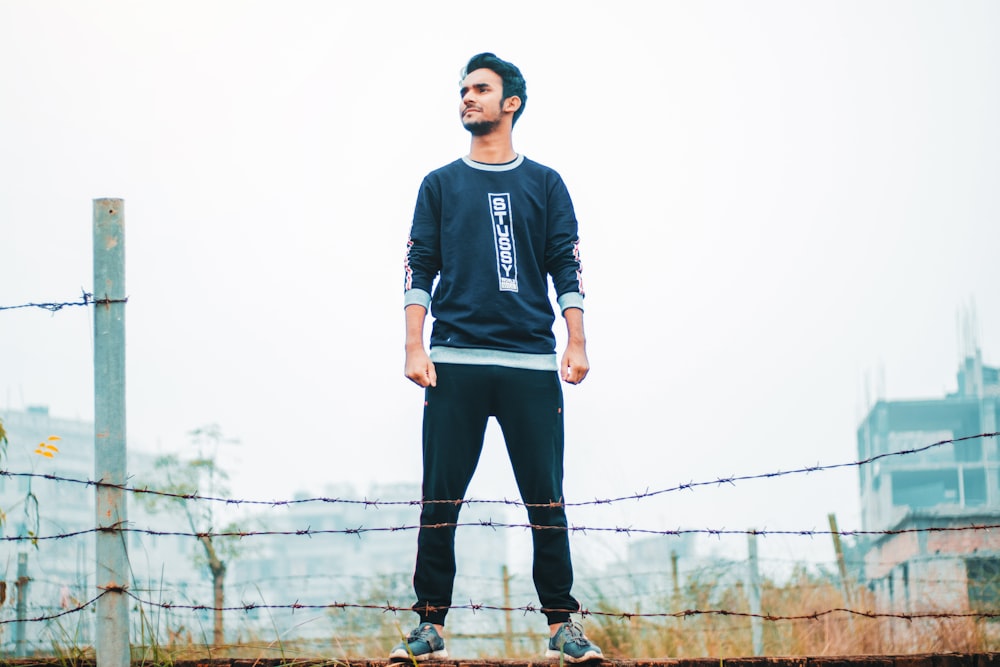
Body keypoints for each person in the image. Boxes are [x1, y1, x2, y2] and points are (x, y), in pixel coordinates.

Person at [390, 53, 603, 663]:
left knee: (547, 499)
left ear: (511, 102)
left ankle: (563, 623)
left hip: (531, 366)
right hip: (453, 360)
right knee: (440, 500)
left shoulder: (545, 182)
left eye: (480, 89)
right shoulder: (438, 184)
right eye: (463, 90)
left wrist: (577, 338)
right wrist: (413, 344)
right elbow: (418, 265)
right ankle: (429, 624)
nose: (467, 98)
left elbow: (567, 261)